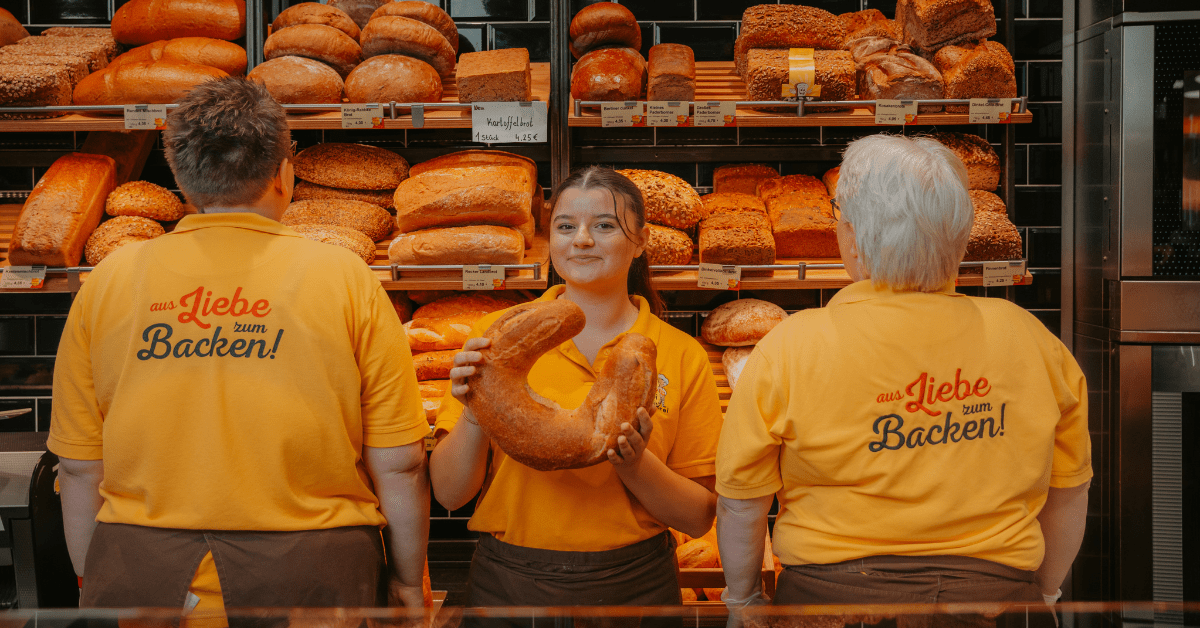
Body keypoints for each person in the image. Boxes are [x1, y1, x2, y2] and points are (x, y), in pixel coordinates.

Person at [49, 77, 430, 617]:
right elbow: (400, 463)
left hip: (142, 568)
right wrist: (408, 581)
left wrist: (95, 579)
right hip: (314, 573)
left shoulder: (110, 279)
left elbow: (79, 468)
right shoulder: (345, 277)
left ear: (180, 177)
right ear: (284, 174)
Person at [715, 135, 1091, 618]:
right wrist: (1045, 594)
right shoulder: (1031, 338)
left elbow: (741, 502)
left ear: (852, 237)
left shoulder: (790, 345)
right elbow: (1069, 492)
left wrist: (743, 600)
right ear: (962, 235)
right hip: (995, 601)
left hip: (830, 603)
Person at [429, 166, 723, 613]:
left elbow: (698, 517)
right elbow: (450, 494)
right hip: (510, 583)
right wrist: (475, 410)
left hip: (635, 586)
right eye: (565, 227)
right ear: (550, 240)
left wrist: (633, 463)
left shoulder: (680, 353)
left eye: (604, 226)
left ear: (641, 241)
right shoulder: (495, 339)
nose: (581, 240)